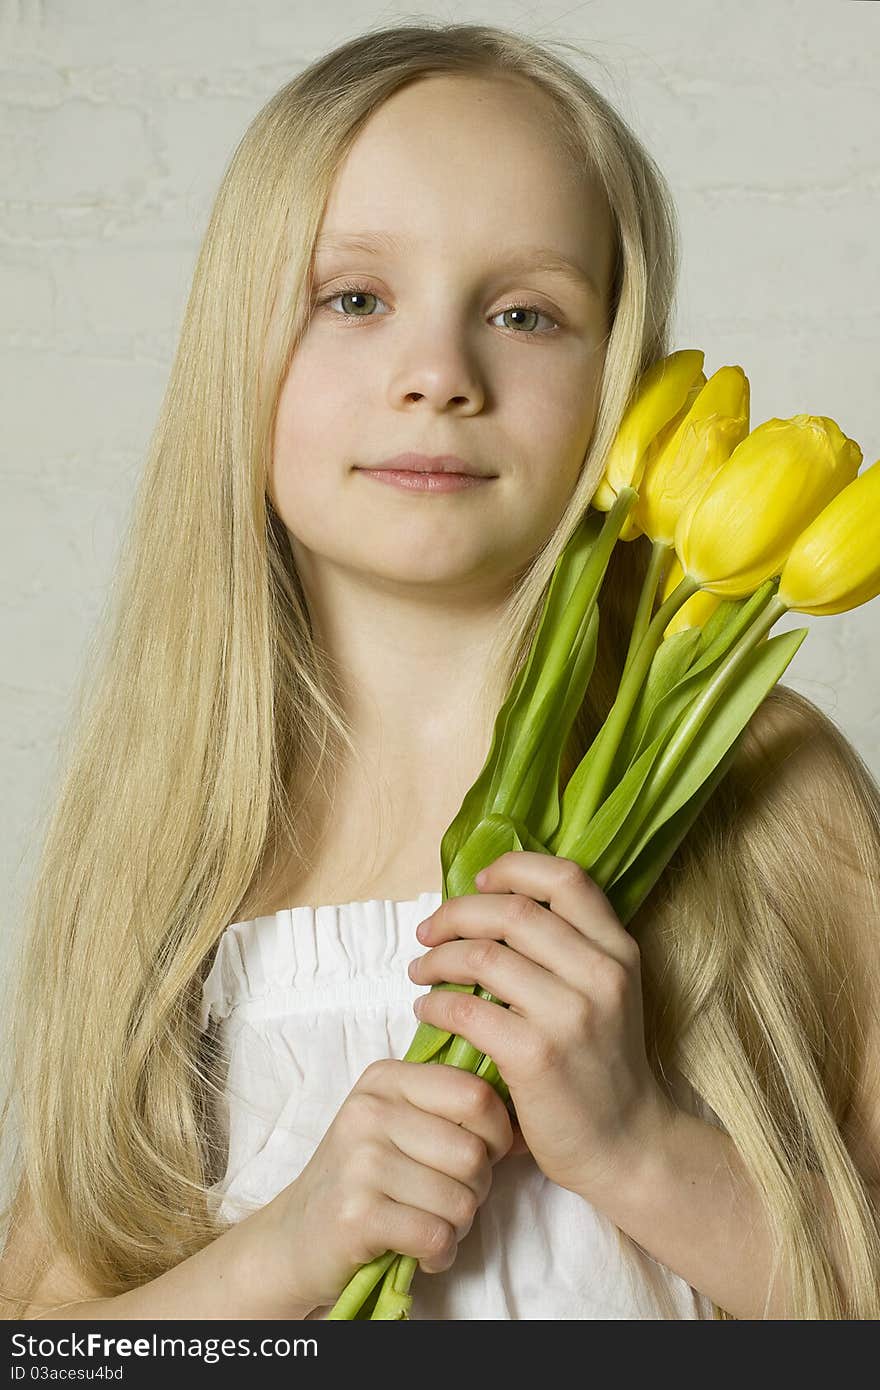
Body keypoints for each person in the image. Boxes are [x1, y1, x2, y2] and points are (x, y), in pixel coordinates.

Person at [1, 22, 878, 1322]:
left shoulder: (774, 793)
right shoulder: (167, 837)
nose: (438, 378)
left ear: (619, 383)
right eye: (353, 298)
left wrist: (641, 1148)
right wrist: (282, 1251)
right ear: (239, 347)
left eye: (525, 313)